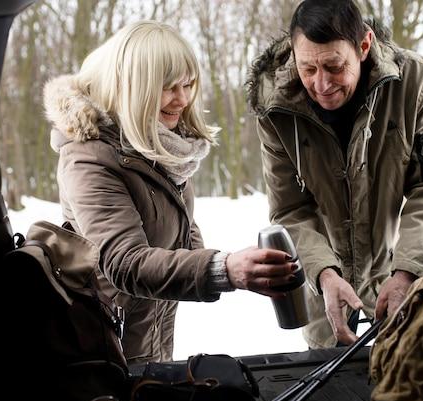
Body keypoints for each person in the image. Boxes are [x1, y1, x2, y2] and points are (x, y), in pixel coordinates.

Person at [43, 20, 297, 364]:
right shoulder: (89, 158)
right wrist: (226, 269)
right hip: (107, 350)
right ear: (132, 86)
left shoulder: (159, 143)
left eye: (188, 84)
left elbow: (180, 227)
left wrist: (240, 267)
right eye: (167, 87)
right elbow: (125, 262)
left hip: (151, 337)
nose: (181, 99)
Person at [246, 0, 423, 348]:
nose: (321, 84)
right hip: (322, 285)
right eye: (308, 68)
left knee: (406, 375)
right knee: (328, 388)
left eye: (334, 66)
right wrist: (324, 275)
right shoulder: (275, 106)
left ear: (364, 45)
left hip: (401, 267)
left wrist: (409, 271)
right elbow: (290, 210)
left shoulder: (414, 82)